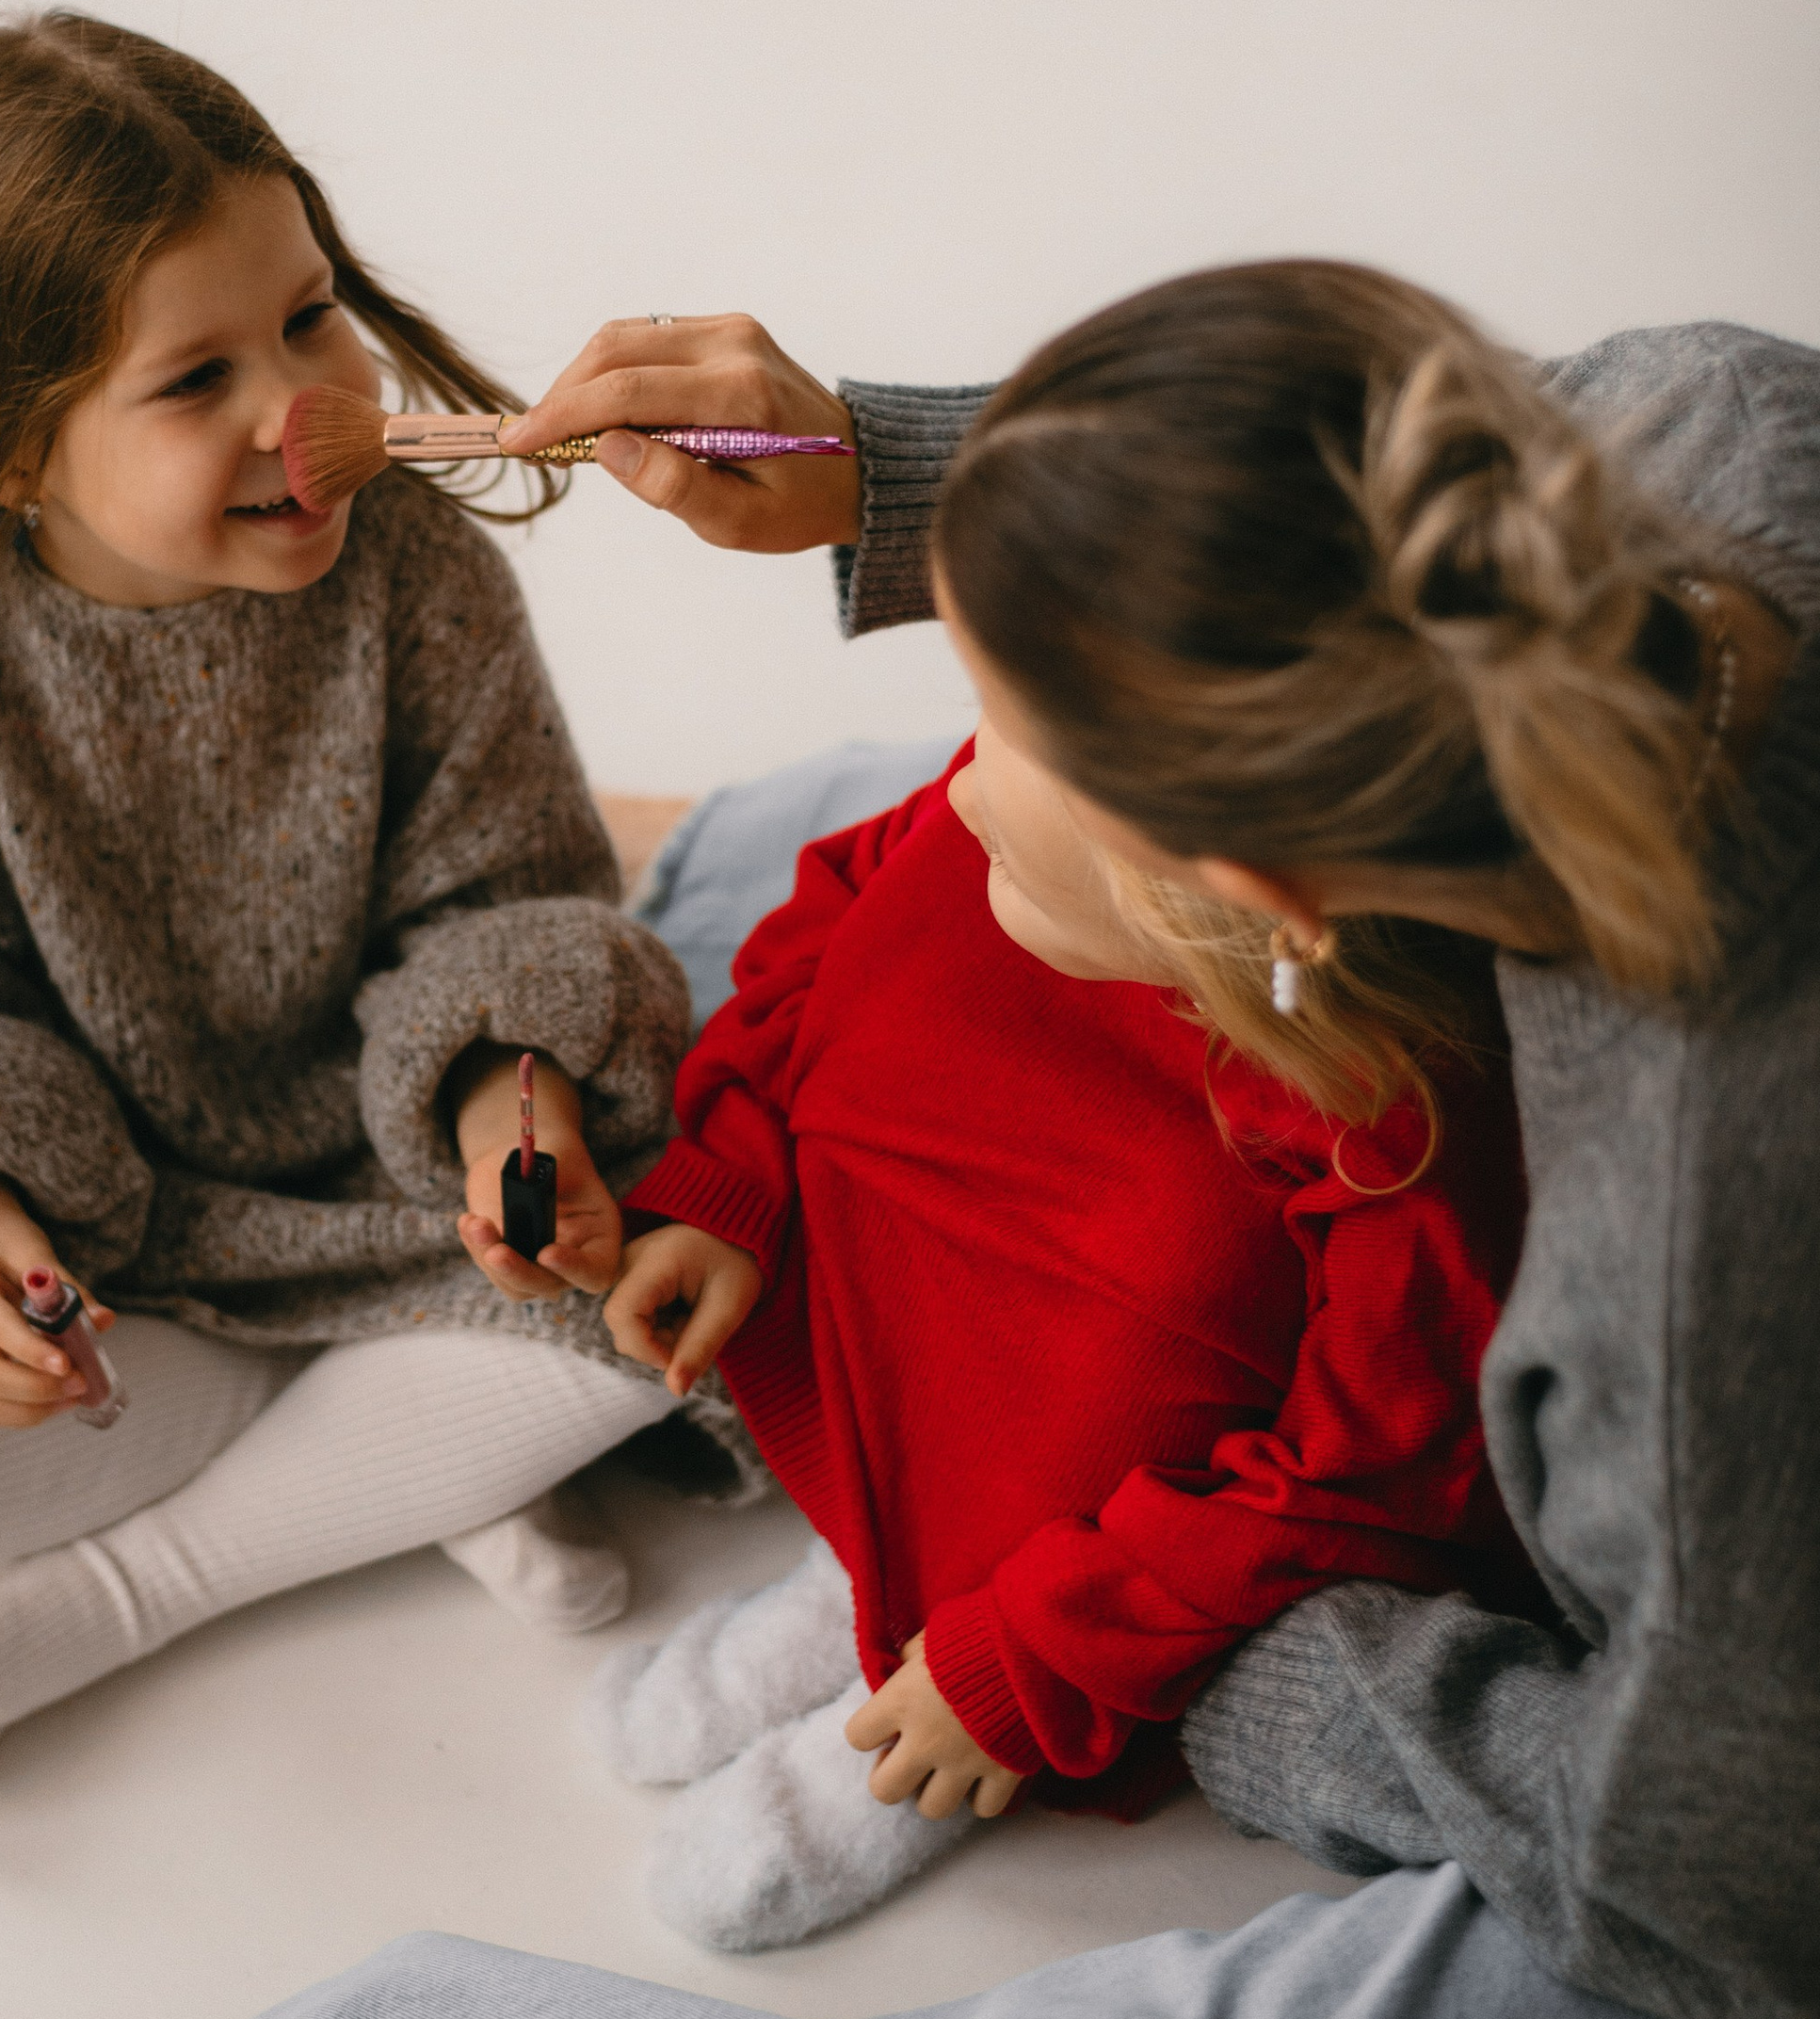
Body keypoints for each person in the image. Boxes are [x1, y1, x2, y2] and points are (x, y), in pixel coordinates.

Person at [0, 265, 1820, 2019]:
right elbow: (1353, 493)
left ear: (1265, 902)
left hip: (1742, 1820)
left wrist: (1120, 1628)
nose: (968, 756)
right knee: (925, 873)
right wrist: (893, 472)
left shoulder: (1696, 1278)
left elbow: (1703, 1885)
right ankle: (613, 912)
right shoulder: (1723, 437)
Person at [0, 10, 700, 1794]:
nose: (302, 409)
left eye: (310, 316)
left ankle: (141, 1582)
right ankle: (392, 1451)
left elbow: (504, 898)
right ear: (9, 450)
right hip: (101, 1228)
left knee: (672, 1307)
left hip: (375, 1172)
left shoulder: (415, 569)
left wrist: (510, 1119)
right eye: (194, 382)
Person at [563, 646, 1524, 1950]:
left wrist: (1041, 1656)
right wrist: (727, 1178)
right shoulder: (995, 810)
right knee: (912, 938)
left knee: (1159, 1308)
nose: (958, 789)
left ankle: (943, 1675)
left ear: (1227, 885)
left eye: (1013, 750)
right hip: (929, 1321)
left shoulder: (1389, 1125)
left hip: (1114, 1515)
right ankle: (863, 1569)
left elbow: (1373, 1472)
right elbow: (841, 897)